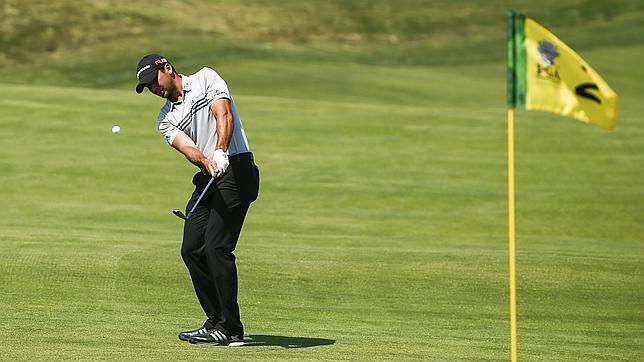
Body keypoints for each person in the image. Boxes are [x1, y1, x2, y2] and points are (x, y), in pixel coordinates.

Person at [135, 54, 259, 345]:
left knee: (216, 246)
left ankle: (231, 328)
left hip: (237, 169)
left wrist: (220, 150)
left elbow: (223, 114)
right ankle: (217, 321)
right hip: (210, 174)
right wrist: (206, 160)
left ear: (168, 68)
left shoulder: (206, 78)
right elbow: (186, 147)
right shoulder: (165, 118)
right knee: (191, 248)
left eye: (154, 81)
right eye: (148, 87)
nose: (154, 89)